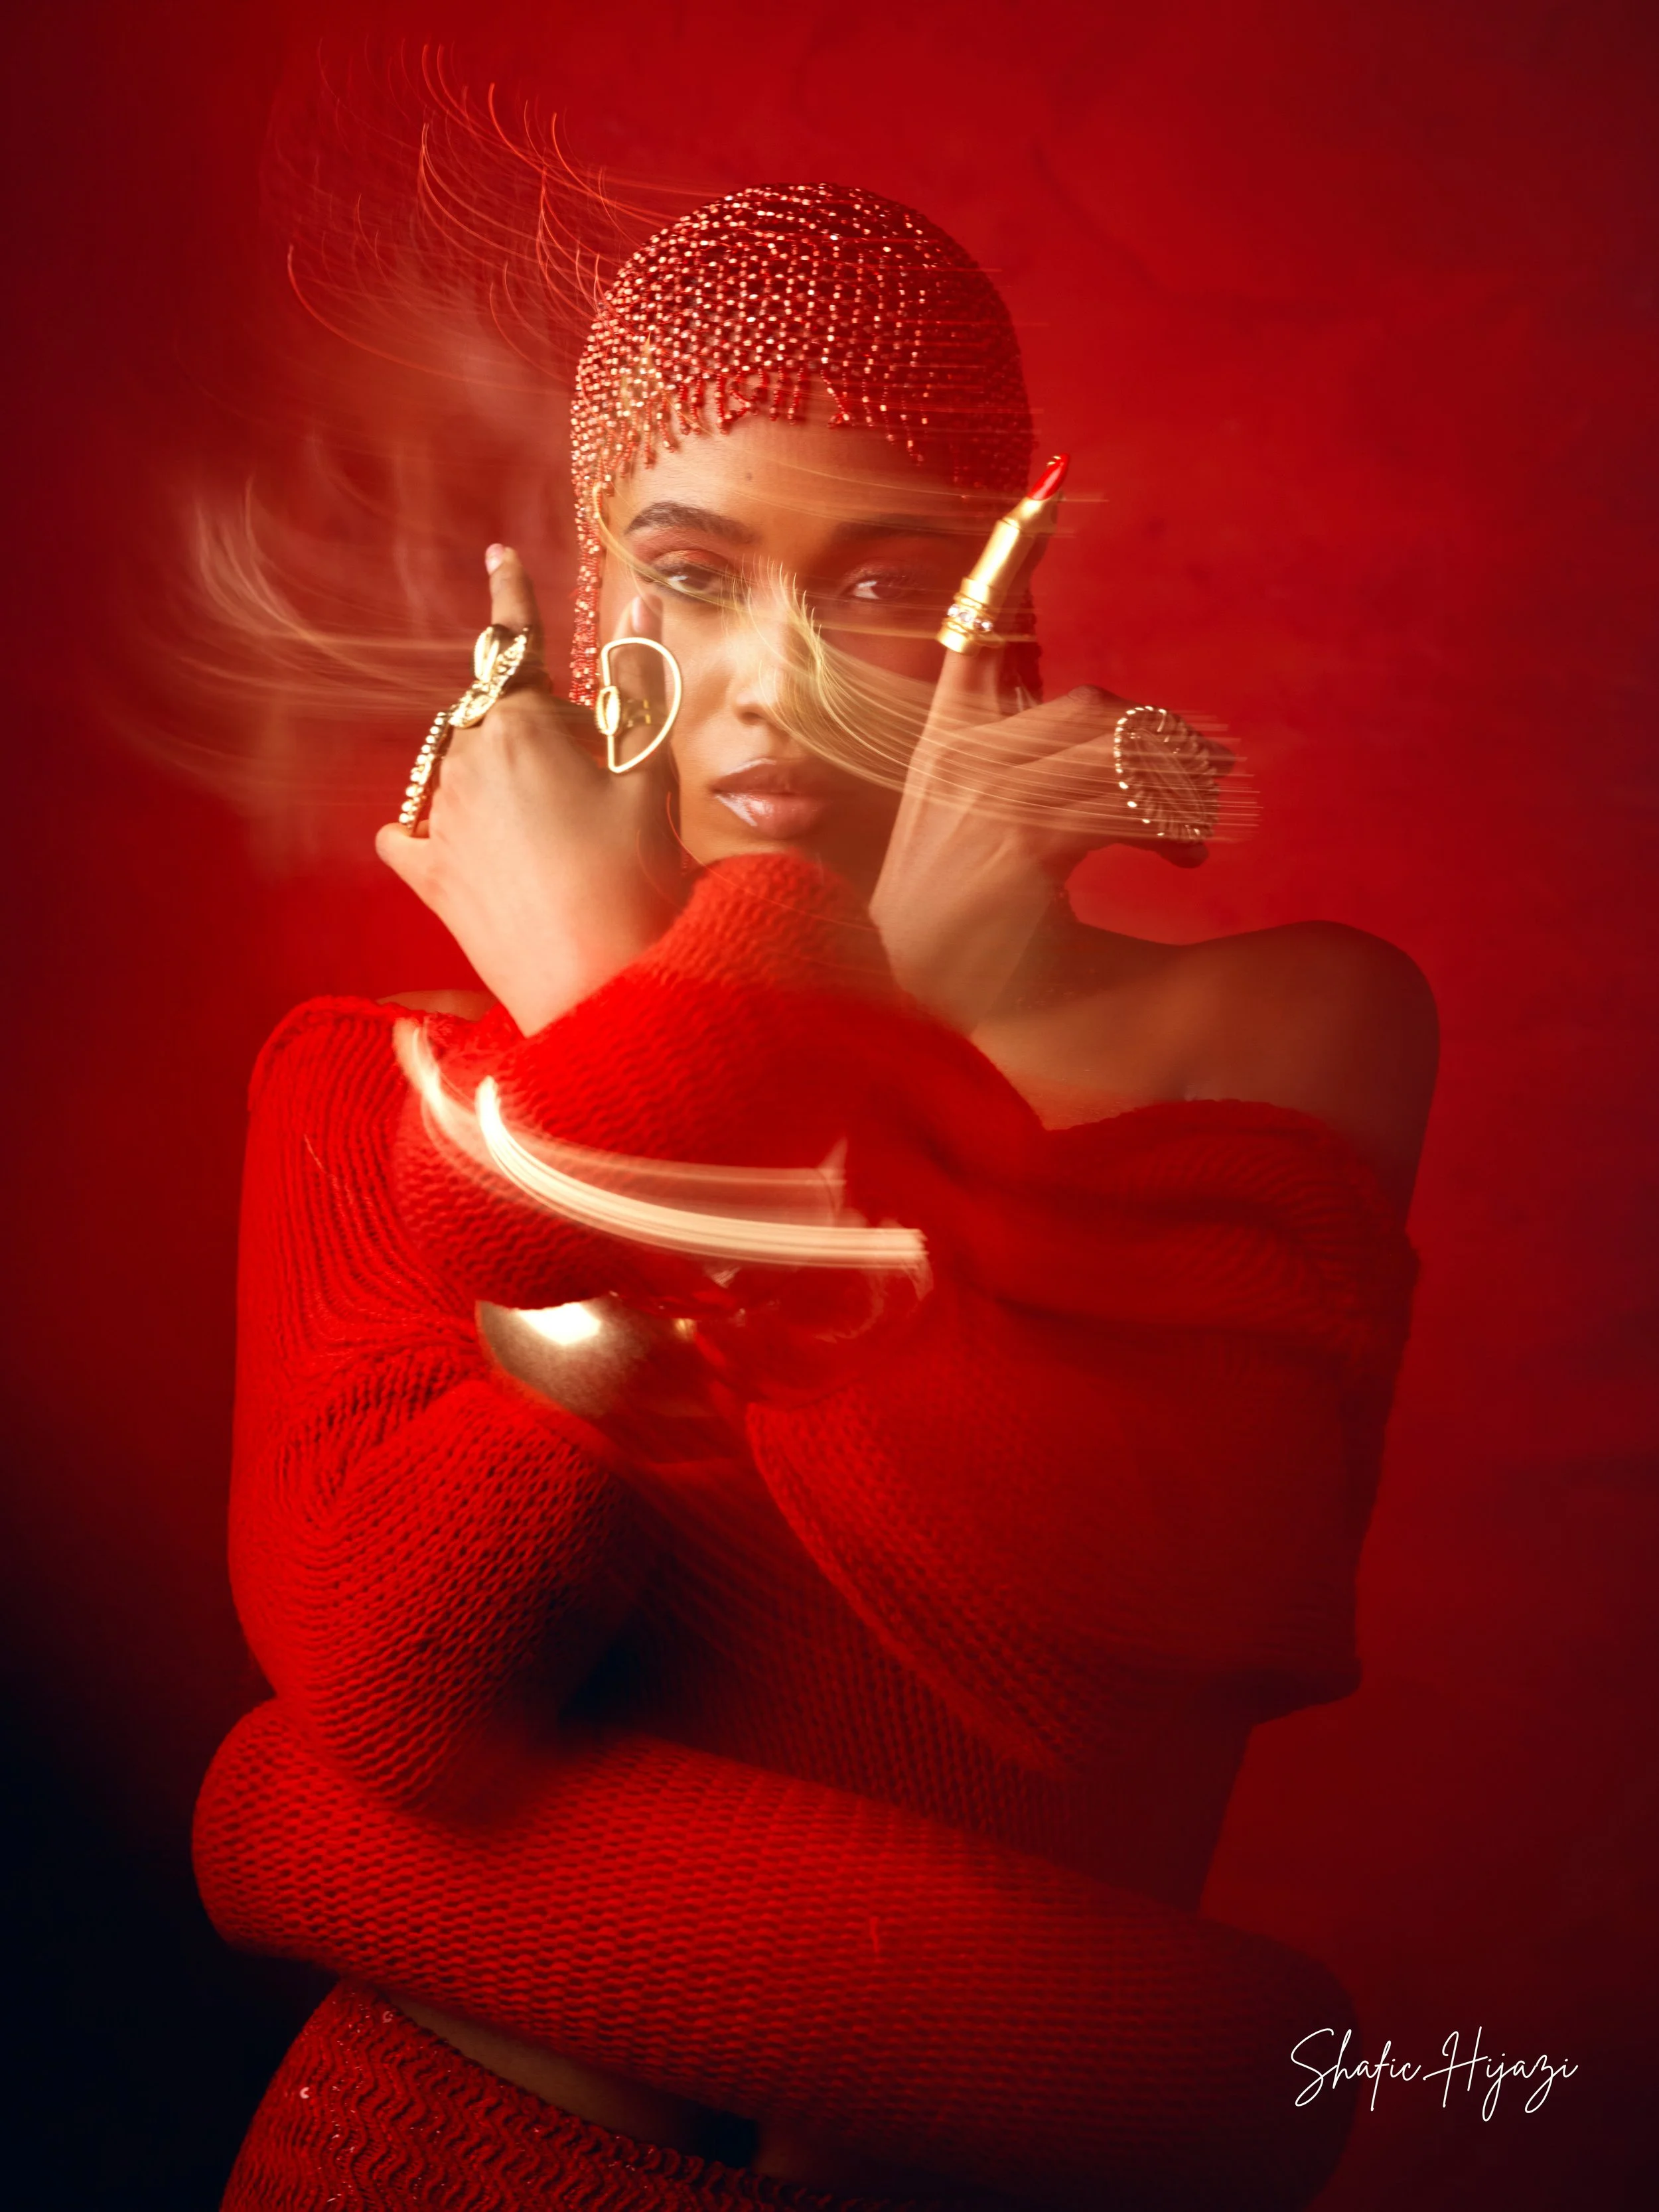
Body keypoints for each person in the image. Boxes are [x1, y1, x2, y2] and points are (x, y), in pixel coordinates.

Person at [194, 183, 1435, 2211]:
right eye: (690, 574)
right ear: (592, 602)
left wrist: (666, 1042)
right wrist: (670, 1033)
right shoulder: (387, 1076)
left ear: (1002, 597)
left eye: (881, 578)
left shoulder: (1284, 1028)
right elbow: (409, 1708)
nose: (776, 675)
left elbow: (1070, 1650)